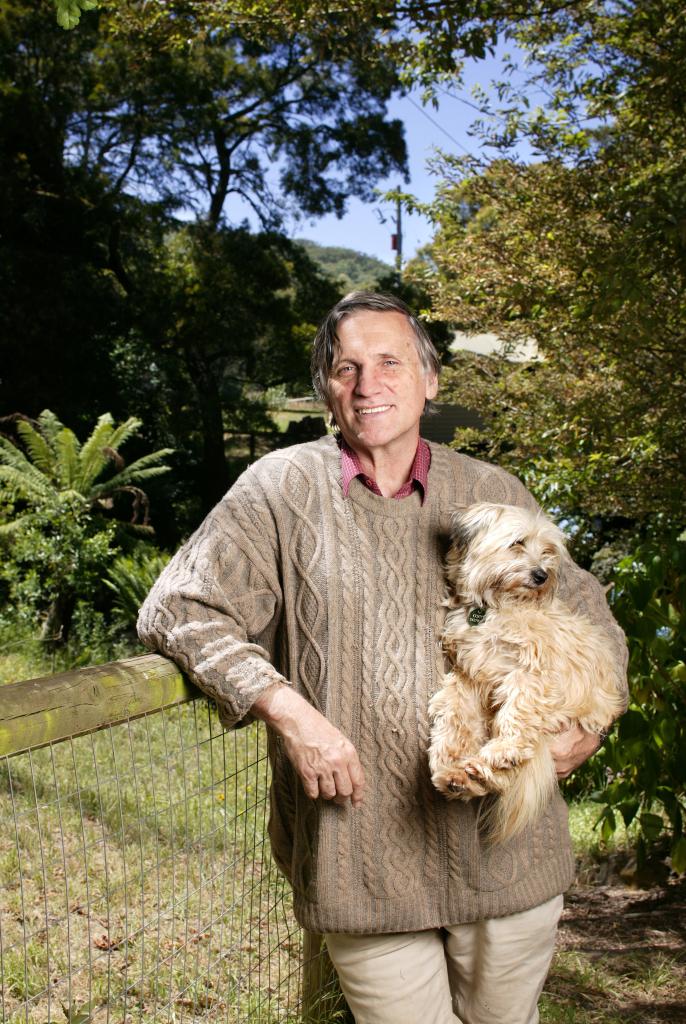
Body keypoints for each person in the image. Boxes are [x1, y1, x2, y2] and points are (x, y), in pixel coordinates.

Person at [137, 292, 628, 1024]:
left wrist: (595, 716)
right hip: (358, 856)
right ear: (326, 388)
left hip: (507, 853)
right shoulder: (279, 489)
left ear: (430, 380)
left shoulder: (493, 492)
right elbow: (177, 608)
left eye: (390, 363)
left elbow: (589, 609)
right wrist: (290, 712)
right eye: (347, 368)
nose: (369, 385)